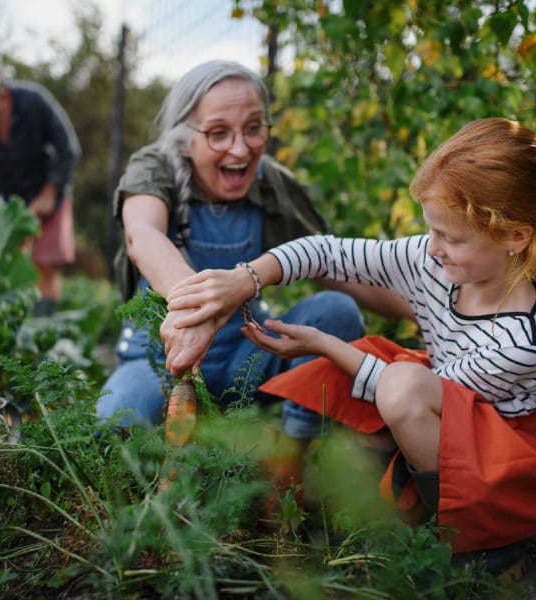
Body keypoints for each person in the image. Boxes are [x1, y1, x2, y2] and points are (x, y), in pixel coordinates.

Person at [165, 117, 536, 571]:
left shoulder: (521, 341)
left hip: (503, 470)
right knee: (378, 381)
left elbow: (405, 392)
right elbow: (326, 252)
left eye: (451, 238)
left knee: (395, 384)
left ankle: (468, 539)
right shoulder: (435, 260)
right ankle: (384, 499)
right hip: (448, 416)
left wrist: (324, 343)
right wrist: (245, 280)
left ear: (516, 237)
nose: (432, 248)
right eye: (432, 230)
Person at [97, 59, 410, 452]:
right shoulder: (156, 166)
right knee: (113, 429)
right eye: (219, 133)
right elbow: (143, 236)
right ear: (184, 138)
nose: (241, 148)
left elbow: (334, 267)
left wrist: (428, 310)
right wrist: (196, 309)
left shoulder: (272, 185)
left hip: (246, 359)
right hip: (161, 363)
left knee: (335, 310)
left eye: (254, 128)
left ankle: (292, 454)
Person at [0, 60, 82, 315]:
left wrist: (50, 192)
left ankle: (46, 326)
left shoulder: (34, 101)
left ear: (2, 96)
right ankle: (15, 323)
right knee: (8, 267)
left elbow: (68, 150)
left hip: (49, 190)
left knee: (46, 264)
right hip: (8, 199)